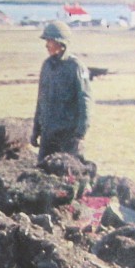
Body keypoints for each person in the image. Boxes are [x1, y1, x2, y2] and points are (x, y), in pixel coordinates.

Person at [31, 20, 92, 164]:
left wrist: (80, 135)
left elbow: (85, 101)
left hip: (68, 137)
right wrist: (36, 130)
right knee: (41, 175)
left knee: (69, 178)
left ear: (61, 43)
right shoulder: (47, 66)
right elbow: (41, 100)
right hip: (48, 136)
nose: (46, 45)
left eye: (50, 41)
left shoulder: (75, 67)